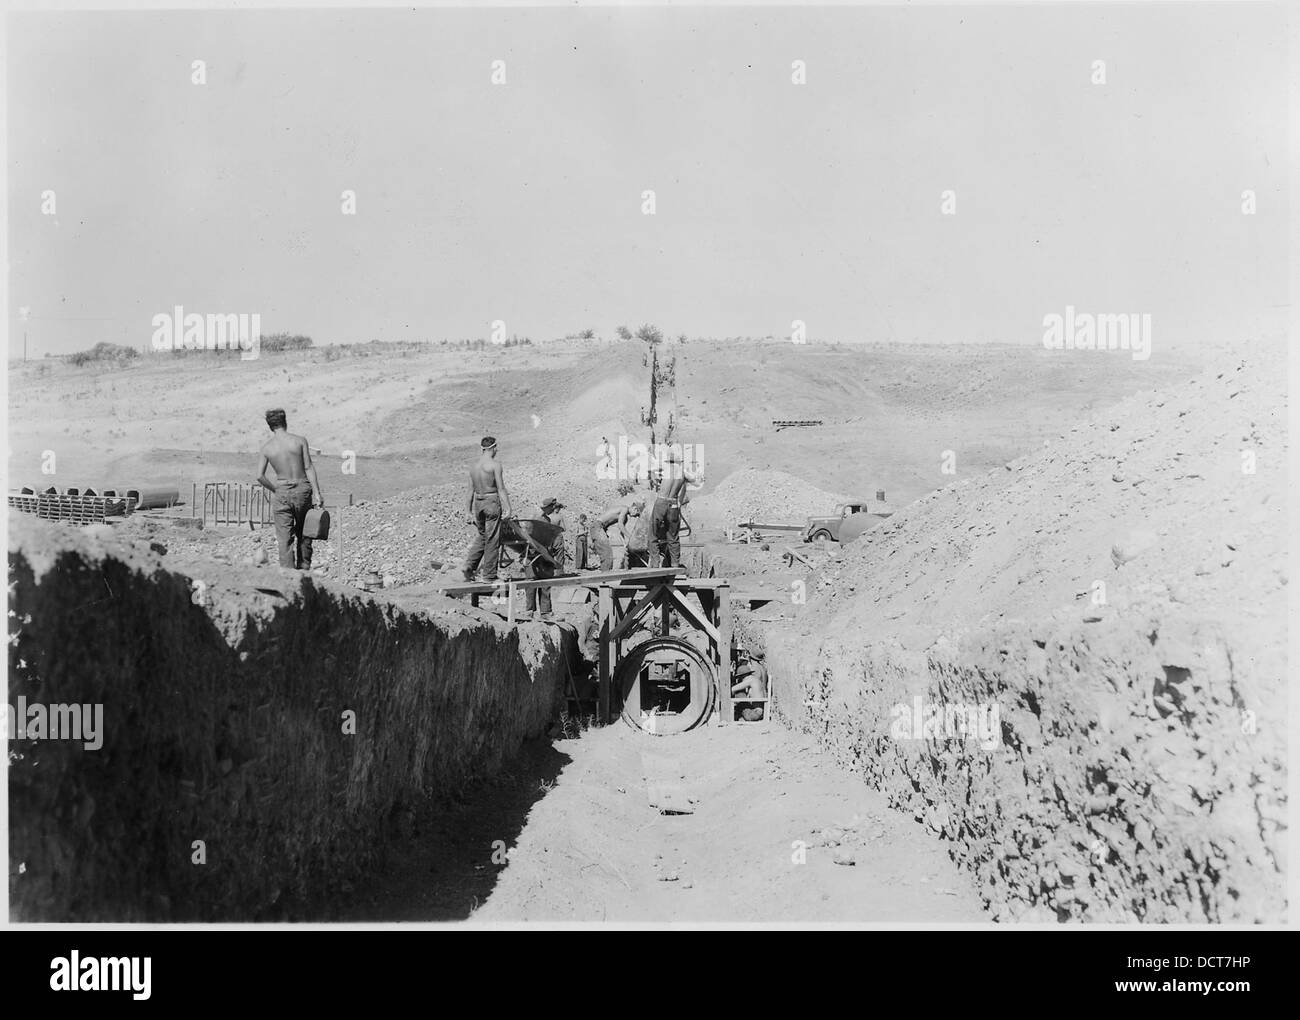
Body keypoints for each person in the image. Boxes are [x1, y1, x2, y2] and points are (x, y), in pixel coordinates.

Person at [256, 409, 323, 570]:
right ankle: (304, 569)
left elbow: (259, 476)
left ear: (270, 426)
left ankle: (288, 575)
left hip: (282, 490)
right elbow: (308, 467)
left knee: (284, 538)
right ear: (285, 422)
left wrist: (275, 489)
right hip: (302, 489)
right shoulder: (299, 441)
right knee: (305, 532)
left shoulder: (267, 448)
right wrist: (317, 493)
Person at [462, 436, 513, 583]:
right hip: (491, 501)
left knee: (483, 535)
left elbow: (469, 491)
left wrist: (468, 511)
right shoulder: (495, 465)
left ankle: (469, 566)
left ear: (482, 449)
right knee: (492, 539)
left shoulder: (473, 467)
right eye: (496, 448)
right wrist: (509, 508)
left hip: (478, 502)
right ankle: (489, 575)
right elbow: (501, 488)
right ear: (493, 448)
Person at [650, 446, 698, 568]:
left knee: (653, 533)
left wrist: (656, 480)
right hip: (674, 504)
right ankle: (675, 564)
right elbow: (695, 480)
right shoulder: (683, 472)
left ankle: (655, 563)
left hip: (661, 501)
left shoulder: (664, 467)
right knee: (673, 536)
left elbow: (651, 469)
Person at [525, 497, 565, 620]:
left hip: (544, 553)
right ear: (548, 507)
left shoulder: (547, 519)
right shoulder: (535, 517)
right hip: (533, 552)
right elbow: (529, 534)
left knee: (545, 583)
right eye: (551, 508)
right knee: (531, 582)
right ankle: (530, 610)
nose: (553, 510)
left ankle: (545, 611)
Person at [590, 503, 628, 572]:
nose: (636, 517)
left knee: (607, 553)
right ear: (635, 509)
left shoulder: (623, 513)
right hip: (598, 526)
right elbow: (620, 525)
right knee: (606, 553)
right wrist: (630, 536)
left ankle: (605, 575)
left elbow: (621, 531)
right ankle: (605, 576)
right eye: (637, 514)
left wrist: (625, 543)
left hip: (598, 527)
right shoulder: (625, 509)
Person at [622, 498, 650, 568]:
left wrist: (630, 537)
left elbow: (620, 526)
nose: (634, 517)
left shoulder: (643, 520)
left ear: (635, 509)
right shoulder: (645, 518)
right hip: (645, 544)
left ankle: (628, 569)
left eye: (637, 515)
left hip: (641, 545)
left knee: (629, 550)